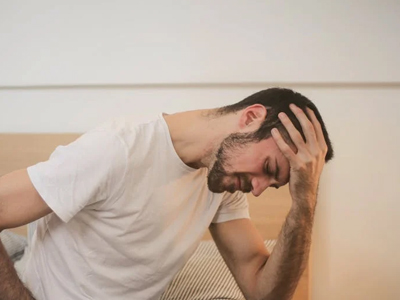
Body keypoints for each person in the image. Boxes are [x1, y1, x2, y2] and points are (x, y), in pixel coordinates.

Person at [0, 87, 333, 300]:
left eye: (273, 185)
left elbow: (263, 294)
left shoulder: (223, 182)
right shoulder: (118, 149)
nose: (259, 189)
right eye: (269, 169)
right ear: (250, 117)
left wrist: (305, 200)